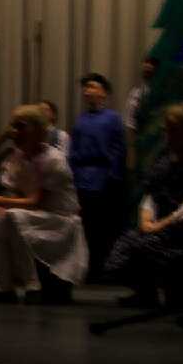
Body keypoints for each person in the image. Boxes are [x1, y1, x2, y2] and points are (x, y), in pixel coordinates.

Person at [0, 105, 88, 304]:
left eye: (21, 126)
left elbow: (36, 201)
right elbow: (16, 193)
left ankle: (32, 285)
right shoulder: (17, 158)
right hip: (35, 215)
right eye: (14, 126)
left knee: (12, 216)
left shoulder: (53, 159)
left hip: (59, 219)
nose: (14, 132)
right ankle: (6, 288)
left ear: (38, 130)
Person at [105, 102, 183, 308]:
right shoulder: (164, 159)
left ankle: (178, 291)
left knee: (147, 246)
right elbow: (151, 192)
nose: (168, 135)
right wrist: (146, 218)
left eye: (174, 130)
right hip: (158, 227)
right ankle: (145, 292)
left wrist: (162, 224)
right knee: (125, 247)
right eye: (167, 130)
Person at [69, 73, 126, 282]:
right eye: (86, 87)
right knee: (85, 227)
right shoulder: (81, 120)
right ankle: (87, 269)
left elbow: (118, 150)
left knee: (103, 227)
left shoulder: (113, 118)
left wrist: (113, 177)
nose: (87, 91)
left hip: (103, 180)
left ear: (103, 92)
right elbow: (73, 150)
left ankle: (104, 269)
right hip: (82, 180)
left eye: (92, 86)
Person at [124, 58, 159, 169]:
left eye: (151, 64)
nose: (147, 66)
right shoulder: (135, 93)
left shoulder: (162, 94)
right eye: (146, 63)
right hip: (139, 144)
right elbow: (130, 124)